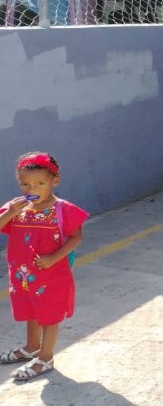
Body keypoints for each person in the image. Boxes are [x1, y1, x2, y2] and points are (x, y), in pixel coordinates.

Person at [0, 152, 88, 381]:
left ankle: (46, 357)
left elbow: (76, 237)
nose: (32, 189)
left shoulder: (63, 209)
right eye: (25, 184)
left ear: (54, 181)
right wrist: (10, 213)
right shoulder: (16, 207)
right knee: (31, 309)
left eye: (40, 183)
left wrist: (53, 258)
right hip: (23, 276)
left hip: (52, 274)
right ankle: (31, 347)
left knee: (49, 314)